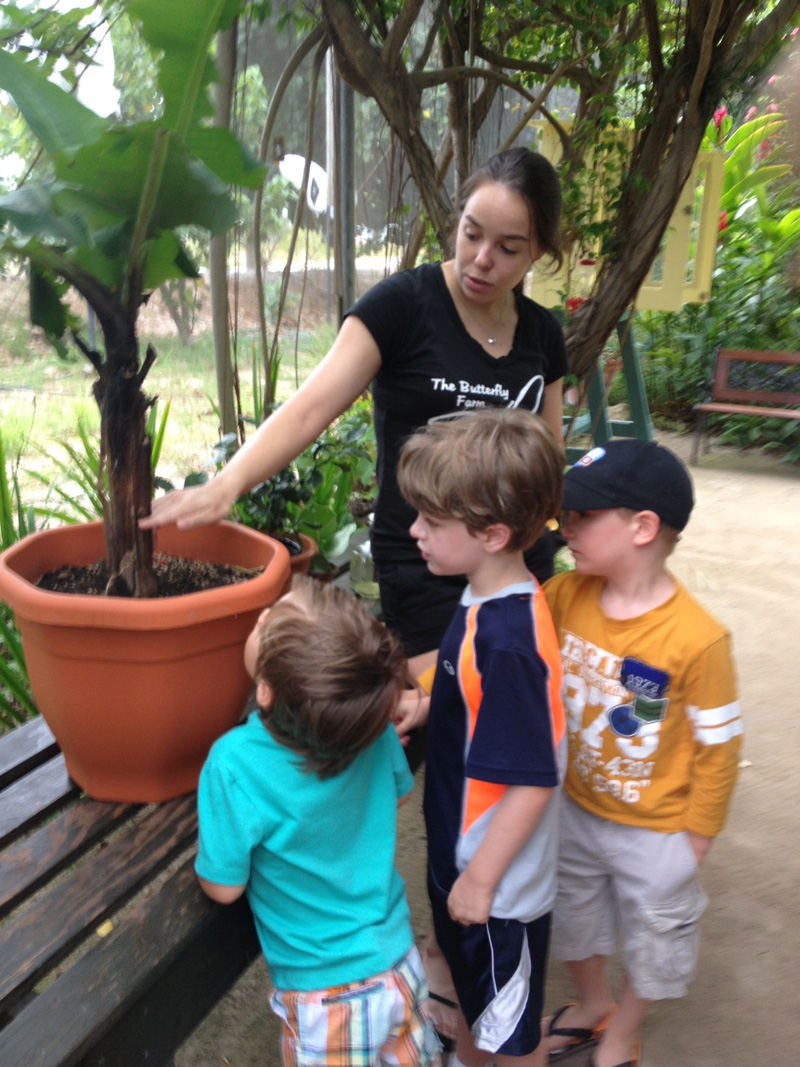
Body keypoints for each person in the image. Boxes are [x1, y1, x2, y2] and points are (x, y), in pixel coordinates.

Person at [142, 144, 568, 1038]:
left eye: (508, 246)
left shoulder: (542, 336)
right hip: (422, 566)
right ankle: (447, 958)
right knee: (437, 744)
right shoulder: (403, 304)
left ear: (539, 254)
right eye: (469, 233)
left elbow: (544, 470)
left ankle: (467, 945)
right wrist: (224, 489)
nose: (480, 259)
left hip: (502, 568)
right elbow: (309, 408)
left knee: (487, 745)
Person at [541, 440, 743, 1067]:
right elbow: (496, 647)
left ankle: (624, 1031)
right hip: (575, 808)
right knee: (573, 917)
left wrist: (698, 837)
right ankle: (592, 1004)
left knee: (657, 941)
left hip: (659, 830)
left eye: (581, 517)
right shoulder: (562, 594)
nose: (563, 528)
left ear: (642, 527)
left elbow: (720, 748)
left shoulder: (699, 639)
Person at [195, 575, 437, 1067]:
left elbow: (223, 887)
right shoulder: (367, 723)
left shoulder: (233, 763)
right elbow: (399, 795)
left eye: (266, 621)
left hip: (326, 998)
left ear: (265, 691)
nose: (259, 615)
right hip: (398, 963)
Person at [396, 407, 567, 1067]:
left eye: (432, 523)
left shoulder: (510, 641)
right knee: (477, 998)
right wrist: (431, 705)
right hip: (462, 853)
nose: (415, 532)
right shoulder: (484, 596)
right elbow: (473, 692)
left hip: (495, 884)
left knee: (512, 1028)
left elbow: (530, 777)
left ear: (493, 533)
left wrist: (480, 881)